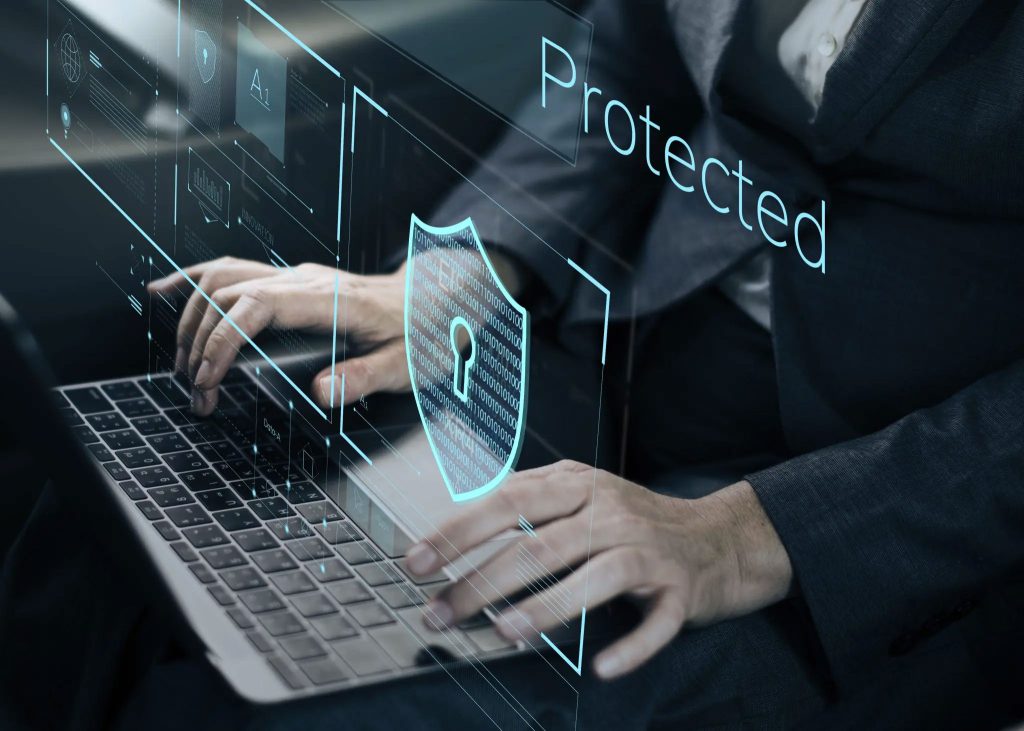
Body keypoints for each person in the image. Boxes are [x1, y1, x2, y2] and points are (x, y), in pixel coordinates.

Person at [3, 0, 1023, 728]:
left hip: (878, 492)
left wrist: (751, 530)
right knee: (115, 518)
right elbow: (633, 54)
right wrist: (455, 276)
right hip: (633, 313)